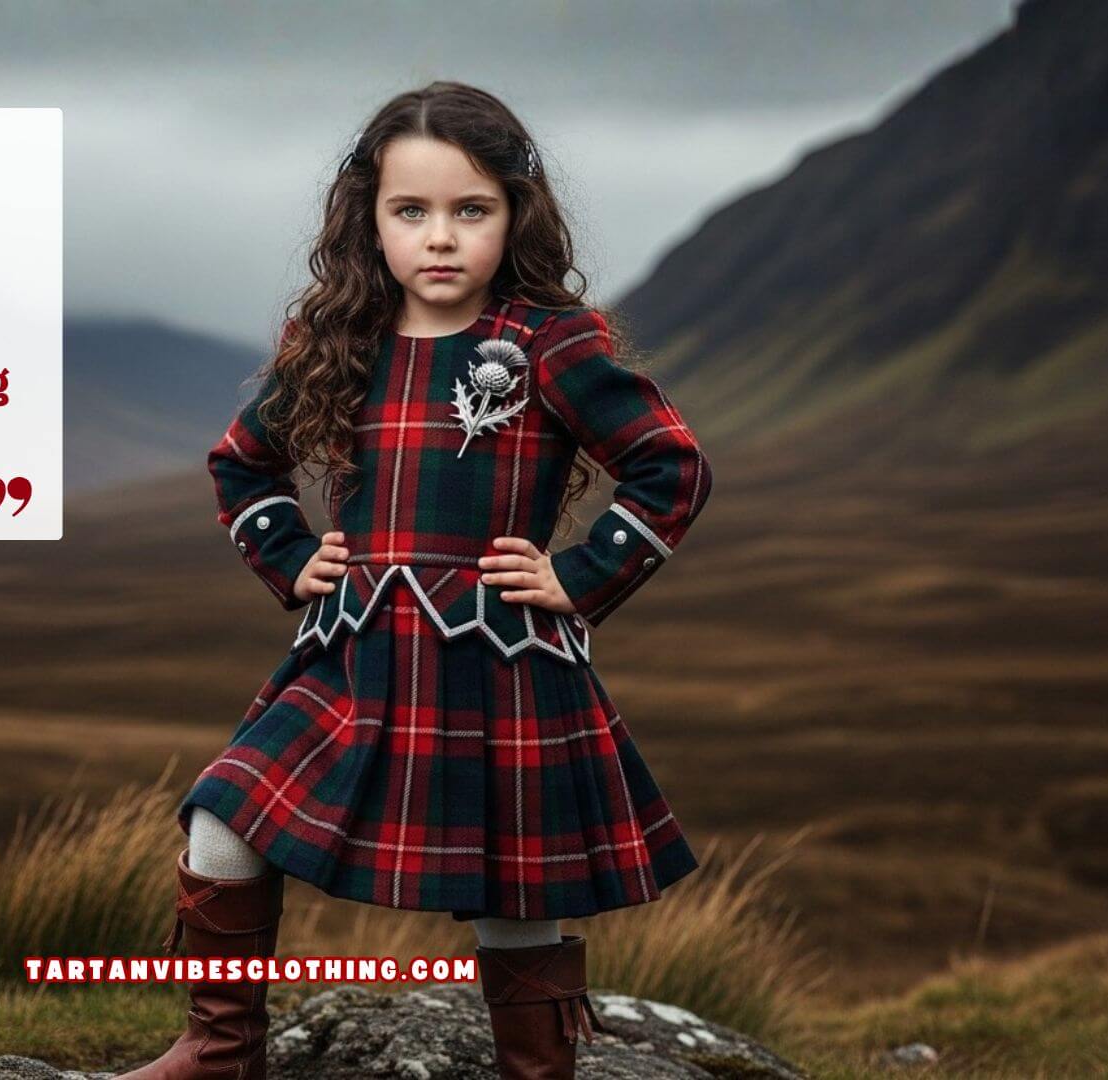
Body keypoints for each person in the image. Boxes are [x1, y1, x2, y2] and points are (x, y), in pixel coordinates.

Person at [119, 81, 714, 1080]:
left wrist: (579, 575)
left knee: (518, 887)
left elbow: (672, 462)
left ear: (515, 215)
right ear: (371, 219)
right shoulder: (337, 338)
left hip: (506, 663)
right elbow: (240, 461)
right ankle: (219, 1052)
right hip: (352, 654)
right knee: (223, 814)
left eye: (470, 210)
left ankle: (539, 1070)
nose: (440, 238)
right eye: (412, 211)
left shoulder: (550, 346)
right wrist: (288, 553)